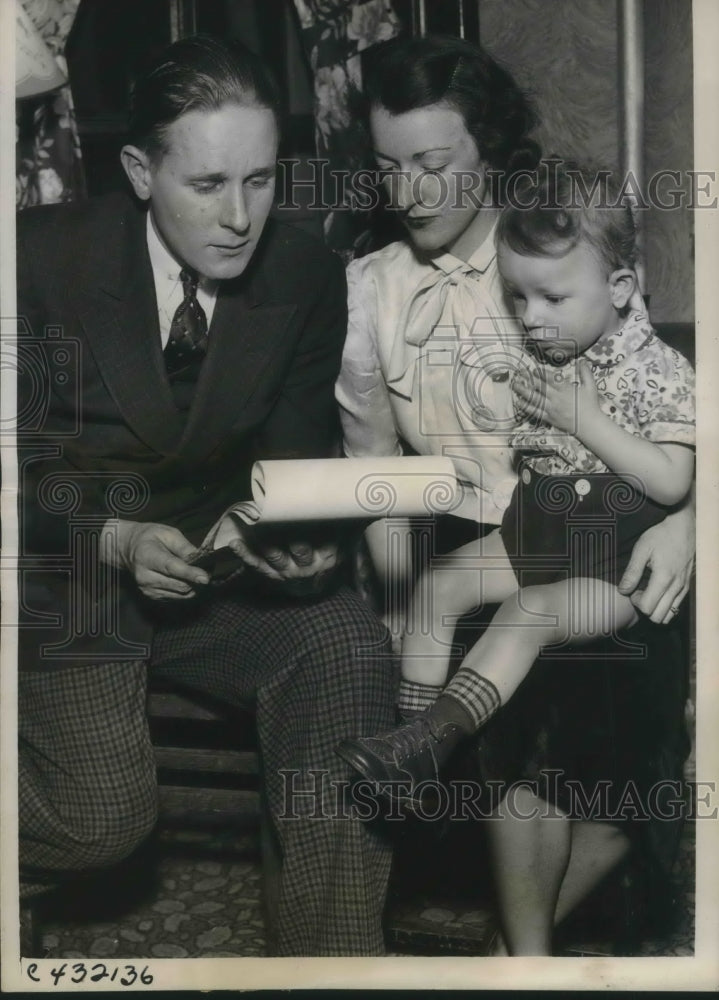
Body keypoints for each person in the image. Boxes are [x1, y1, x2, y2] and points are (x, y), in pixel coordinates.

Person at [16, 34, 396, 957]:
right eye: (208, 185)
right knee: (103, 821)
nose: (239, 217)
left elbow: (293, 456)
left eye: (261, 181)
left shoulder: (304, 273)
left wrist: (306, 536)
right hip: (68, 576)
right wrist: (114, 540)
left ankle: (333, 966)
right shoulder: (33, 263)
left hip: (211, 570)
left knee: (343, 646)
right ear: (141, 170)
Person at [335, 35, 695, 955]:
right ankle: (425, 759)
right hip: (495, 559)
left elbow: (667, 407)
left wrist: (695, 520)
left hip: (604, 549)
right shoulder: (369, 291)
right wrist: (397, 604)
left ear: (486, 150)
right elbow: (374, 475)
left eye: (433, 164)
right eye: (387, 167)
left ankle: (508, 951)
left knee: (614, 758)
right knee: (464, 630)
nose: (407, 191)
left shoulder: (556, 255)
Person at [338, 162, 695, 807]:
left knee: (524, 615)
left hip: (610, 566)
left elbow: (672, 482)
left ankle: (433, 742)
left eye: (552, 299)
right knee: (435, 587)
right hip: (534, 536)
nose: (530, 319)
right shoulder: (546, 356)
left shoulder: (659, 369)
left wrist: (584, 421)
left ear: (619, 288)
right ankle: (412, 750)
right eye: (517, 297)